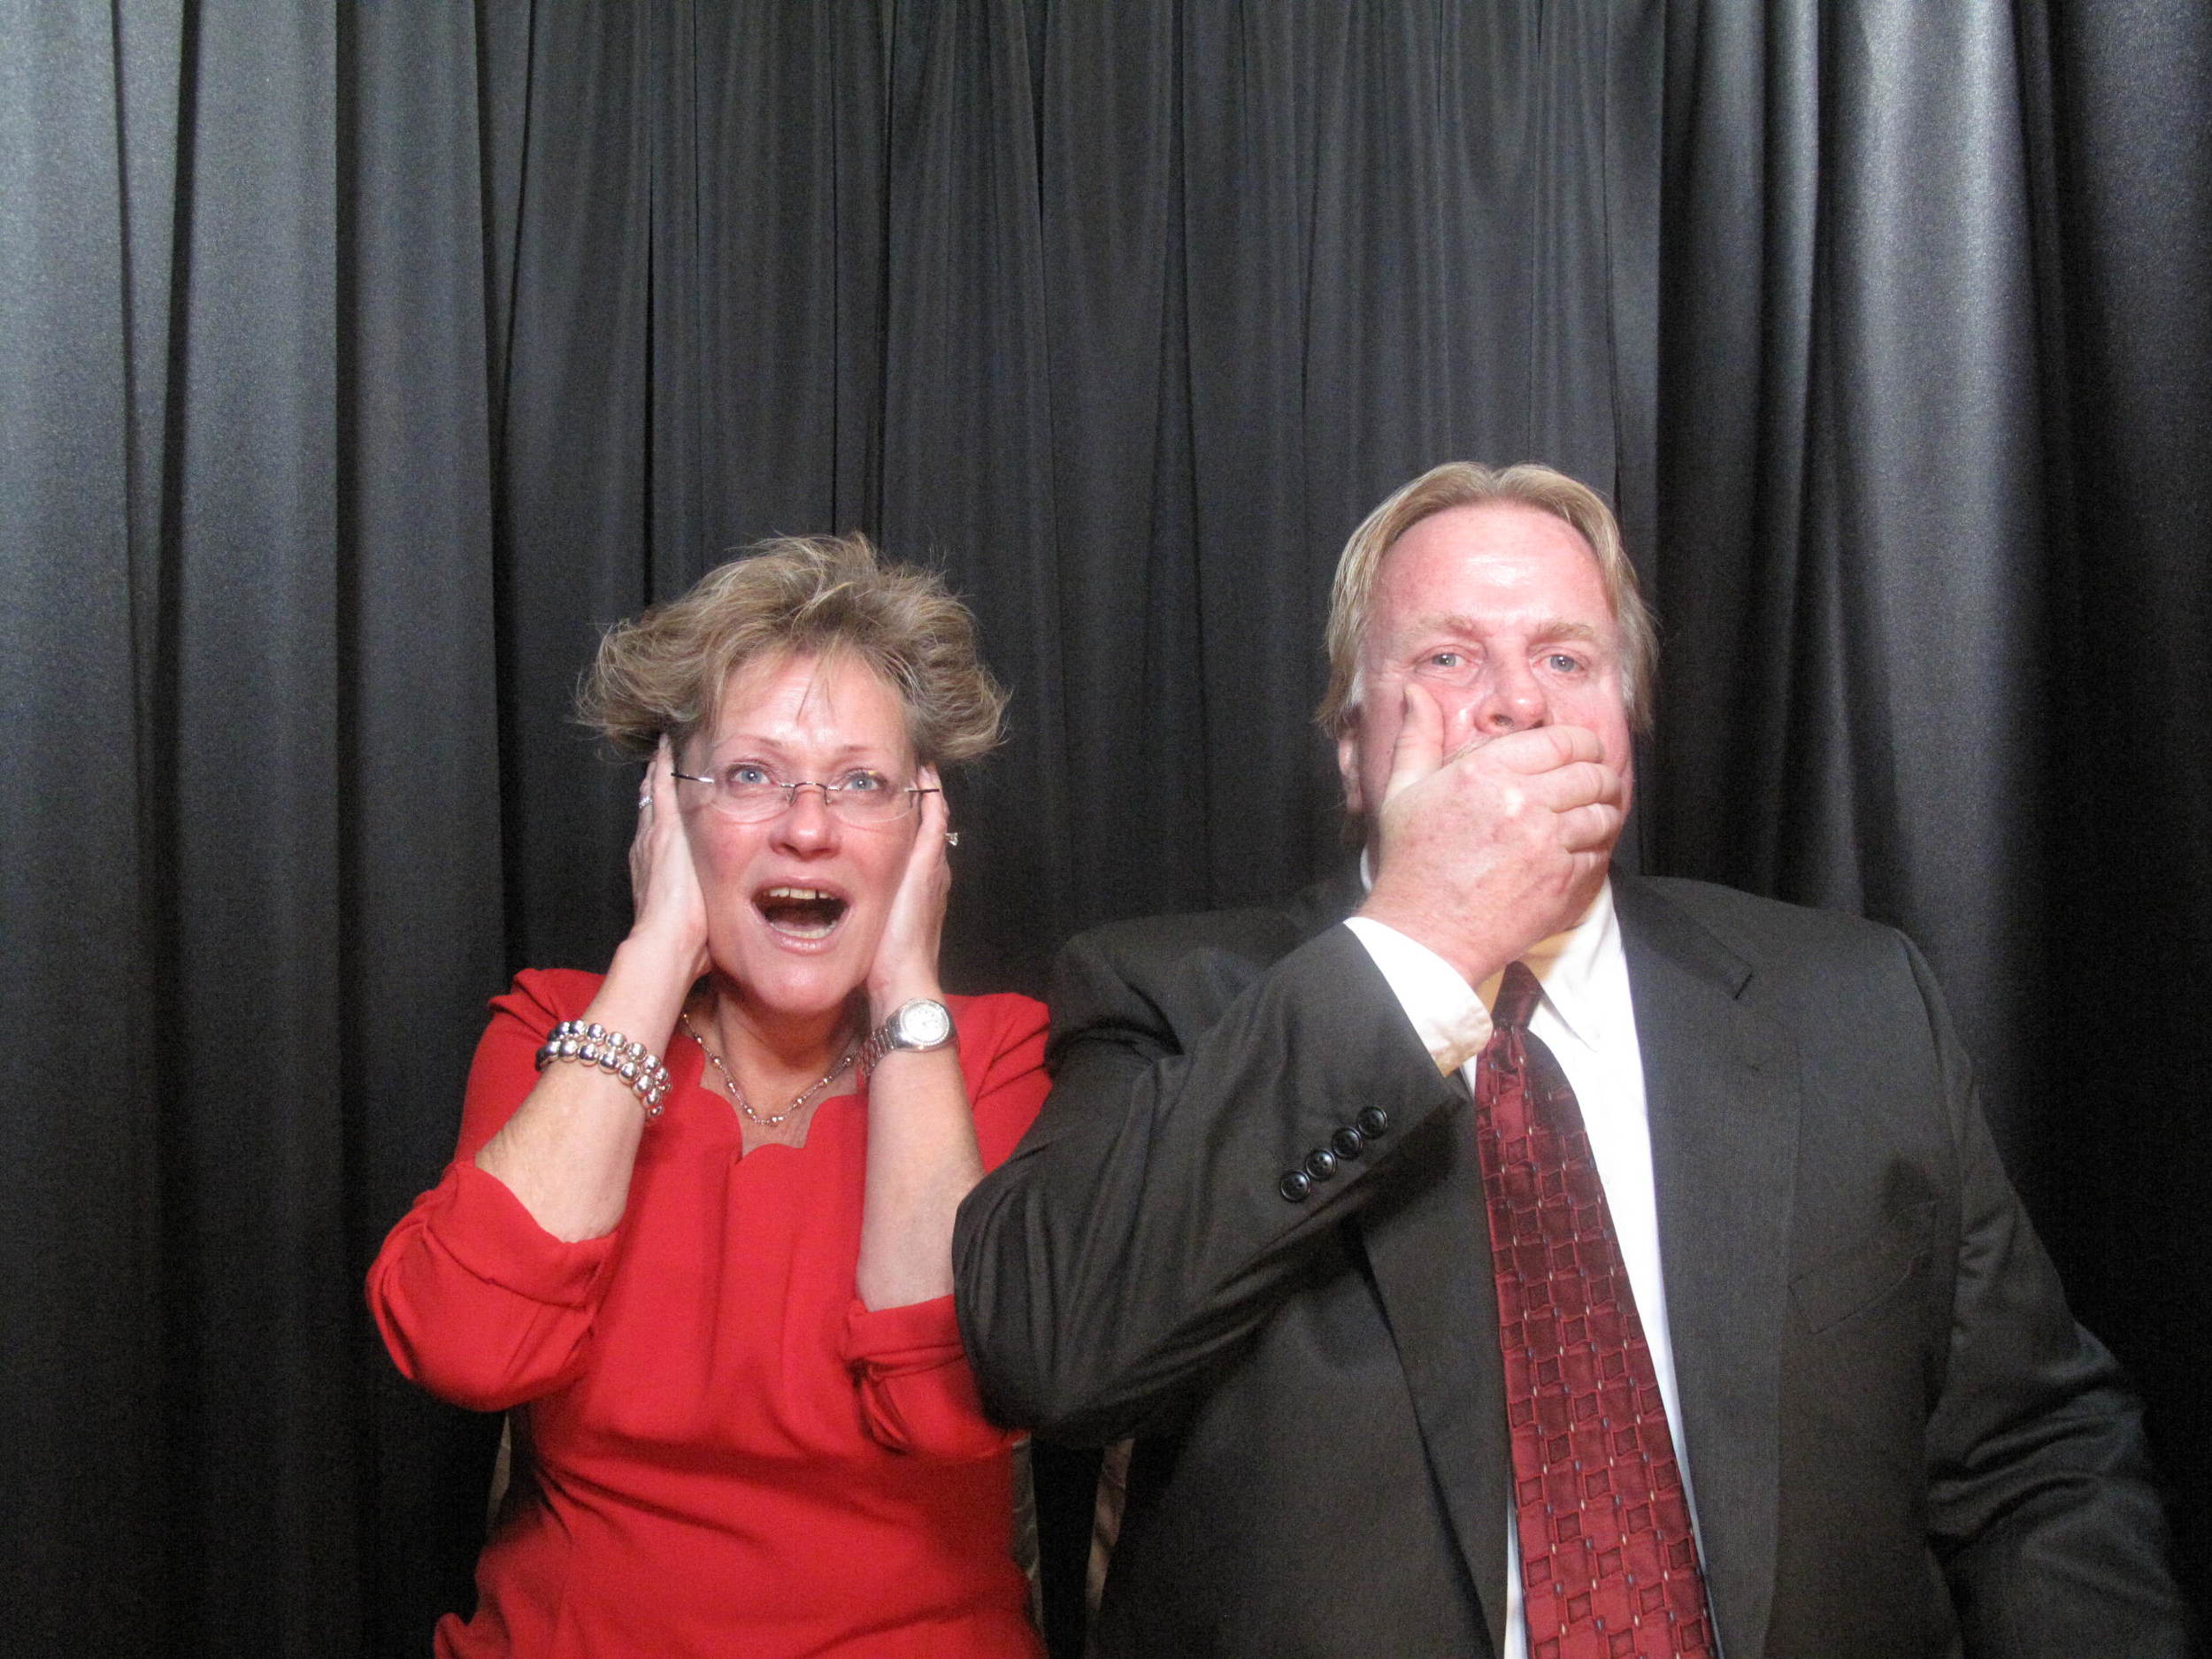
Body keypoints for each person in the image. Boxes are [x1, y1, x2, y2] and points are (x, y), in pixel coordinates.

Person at [953, 463, 2189, 1658]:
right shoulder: (1170, 997)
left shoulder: (1858, 1005)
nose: (1516, 702)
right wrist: (1428, 934)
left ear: (1625, 728)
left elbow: (2035, 1455)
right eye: (1447, 657)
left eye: (1565, 657)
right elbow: (1047, 1344)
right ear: (1348, 740)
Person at [369, 535, 1048, 1658]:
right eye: (749, 775)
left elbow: (943, 1409)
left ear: (928, 832)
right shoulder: (557, 1031)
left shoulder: (992, 1058)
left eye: (864, 784)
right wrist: (657, 949)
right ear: (665, 811)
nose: (809, 827)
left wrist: (906, 985)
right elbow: (466, 1348)